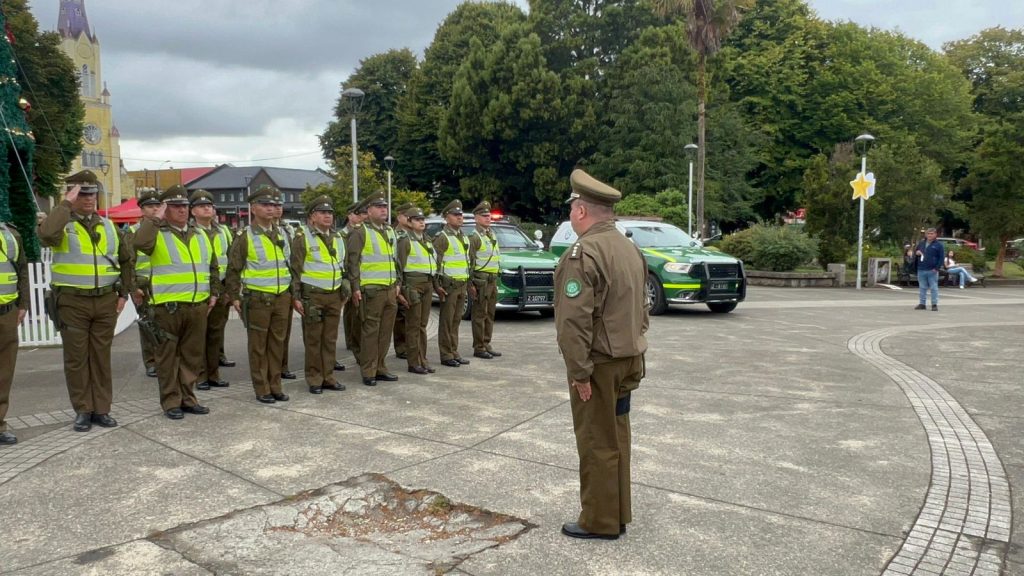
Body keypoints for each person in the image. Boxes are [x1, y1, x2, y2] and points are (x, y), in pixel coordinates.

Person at [555, 169, 648, 541]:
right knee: (618, 437)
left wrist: (579, 373)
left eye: (572, 210)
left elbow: (573, 323)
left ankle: (599, 521)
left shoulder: (584, 252)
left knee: (596, 440)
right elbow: (642, 309)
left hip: (599, 365)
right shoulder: (629, 247)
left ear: (580, 211)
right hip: (628, 359)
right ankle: (618, 513)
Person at [38, 183, 132, 432]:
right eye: (82, 194)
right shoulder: (61, 223)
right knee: (76, 358)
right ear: (71, 195)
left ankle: (102, 409)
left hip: (104, 300)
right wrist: (65, 205)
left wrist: (123, 293)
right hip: (72, 301)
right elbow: (45, 235)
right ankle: (83, 409)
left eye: (92, 194)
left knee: (101, 357)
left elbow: (126, 260)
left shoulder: (109, 226)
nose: (89, 199)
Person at [131, 186, 219, 419]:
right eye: (175, 206)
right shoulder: (154, 232)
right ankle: (171, 402)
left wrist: (214, 292)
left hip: (197, 304)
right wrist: (156, 219)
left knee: (191, 356)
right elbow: (139, 243)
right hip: (167, 305)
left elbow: (212, 265)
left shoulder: (199, 233)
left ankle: (188, 398)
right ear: (164, 209)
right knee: (167, 357)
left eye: (184, 206)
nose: (182, 210)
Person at [224, 185, 292, 404]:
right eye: (265, 205)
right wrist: (235, 296)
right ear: (253, 208)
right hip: (258, 299)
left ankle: (276, 385)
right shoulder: (245, 236)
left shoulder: (282, 233)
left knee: (277, 344)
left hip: (281, 296)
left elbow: (290, 265)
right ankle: (262, 387)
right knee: (258, 346)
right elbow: (233, 268)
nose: (271, 209)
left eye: (274, 204)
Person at [291, 195, 347, 394]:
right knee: (314, 339)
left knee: (330, 339)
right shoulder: (302, 236)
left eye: (330, 213)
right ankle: (314, 379)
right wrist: (296, 297)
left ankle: (329, 377)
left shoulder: (338, 237)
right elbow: (295, 269)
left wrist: (345, 285)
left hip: (334, 294)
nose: (327, 216)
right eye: (322, 213)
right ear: (312, 216)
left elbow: (343, 264)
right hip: (312, 296)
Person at [345, 191, 402, 386]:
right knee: (370, 331)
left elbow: (395, 261)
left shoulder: (389, 231)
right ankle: (368, 370)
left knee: (385, 332)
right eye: (379, 207)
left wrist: (398, 283)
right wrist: (354, 287)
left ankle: (381, 366)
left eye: (385, 207)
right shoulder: (360, 232)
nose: (383, 210)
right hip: (371, 290)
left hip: (389, 289)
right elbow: (352, 262)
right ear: (368, 211)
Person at [190, 189, 233, 390]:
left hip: (221, 288)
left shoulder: (223, 231)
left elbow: (232, 260)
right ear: (193, 212)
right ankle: (200, 375)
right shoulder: (189, 232)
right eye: (201, 206)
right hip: (198, 289)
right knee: (198, 335)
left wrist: (231, 290)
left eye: (209, 205)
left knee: (215, 333)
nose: (207, 208)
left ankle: (214, 374)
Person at [125, 189, 162, 378]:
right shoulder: (133, 232)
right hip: (143, 284)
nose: (155, 209)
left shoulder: (163, 228)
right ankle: (151, 361)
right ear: (141, 210)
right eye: (150, 206)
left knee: (163, 323)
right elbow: (128, 262)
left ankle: (163, 359)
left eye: (157, 205)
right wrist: (133, 288)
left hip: (163, 283)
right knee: (147, 324)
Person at [396, 206, 436, 375]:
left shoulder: (426, 239)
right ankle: (414, 362)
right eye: (417, 220)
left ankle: (422, 359)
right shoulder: (405, 240)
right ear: (410, 222)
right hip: (412, 284)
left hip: (427, 284)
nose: (421, 222)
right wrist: (402, 288)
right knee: (413, 324)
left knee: (422, 325)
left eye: (422, 220)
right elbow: (399, 266)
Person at [0, 220, 29, 445]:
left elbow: (22, 270)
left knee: (4, 372)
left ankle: (0, 425)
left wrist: (23, 305)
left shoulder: (11, 233)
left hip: (7, 312)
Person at [433, 200, 471, 368]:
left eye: (461, 215)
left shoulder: (462, 236)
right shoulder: (442, 237)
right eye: (455, 215)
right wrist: (437, 285)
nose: (459, 218)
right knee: (447, 321)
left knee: (456, 321)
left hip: (462, 283)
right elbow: (435, 263)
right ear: (447, 218)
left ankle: (454, 351)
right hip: (449, 284)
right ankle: (446, 354)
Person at [468, 200, 501, 359]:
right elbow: (470, 261)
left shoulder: (491, 234)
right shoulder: (474, 237)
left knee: (490, 314)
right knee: (479, 315)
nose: (488, 218)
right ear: (476, 218)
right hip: (480, 280)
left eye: (489, 216)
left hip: (492, 280)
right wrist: (471, 283)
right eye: (484, 216)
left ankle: (486, 343)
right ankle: (479, 347)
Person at [340, 199, 368, 362]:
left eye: (364, 214)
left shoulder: (362, 232)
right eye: (358, 214)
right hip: (347, 276)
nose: (362, 217)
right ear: (349, 216)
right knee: (350, 312)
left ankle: (355, 341)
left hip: (361, 276)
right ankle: (351, 341)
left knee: (357, 313)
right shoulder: (342, 234)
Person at [273, 202, 298, 380]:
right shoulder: (254, 233)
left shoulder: (288, 229)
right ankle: (272, 371)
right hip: (267, 290)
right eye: (272, 205)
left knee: (284, 331)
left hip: (287, 285)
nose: (277, 209)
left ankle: (283, 365)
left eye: (279, 205)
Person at [391, 201, 415, 360]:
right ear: (399, 217)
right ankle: (401, 347)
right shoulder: (395, 234)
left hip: (415, 279)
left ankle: (411, 345)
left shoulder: (416, 234)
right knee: (400, 316)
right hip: (401, 280)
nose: (410, 219)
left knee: (412, 315)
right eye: (407, 216)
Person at [915, 228, 944, 311]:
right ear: (926, 235)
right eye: (928, 234)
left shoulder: (939, 245)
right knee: (922, 287)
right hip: (921, 268)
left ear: (935, 235)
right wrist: (917, 253)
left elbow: (941, 258)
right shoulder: (921, 243)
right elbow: (916, 252)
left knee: (933, 287)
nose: (930, 235)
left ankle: (934, 304)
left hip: (932, 270)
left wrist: (937, 268)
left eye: (931, 234)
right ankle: (922, 304)